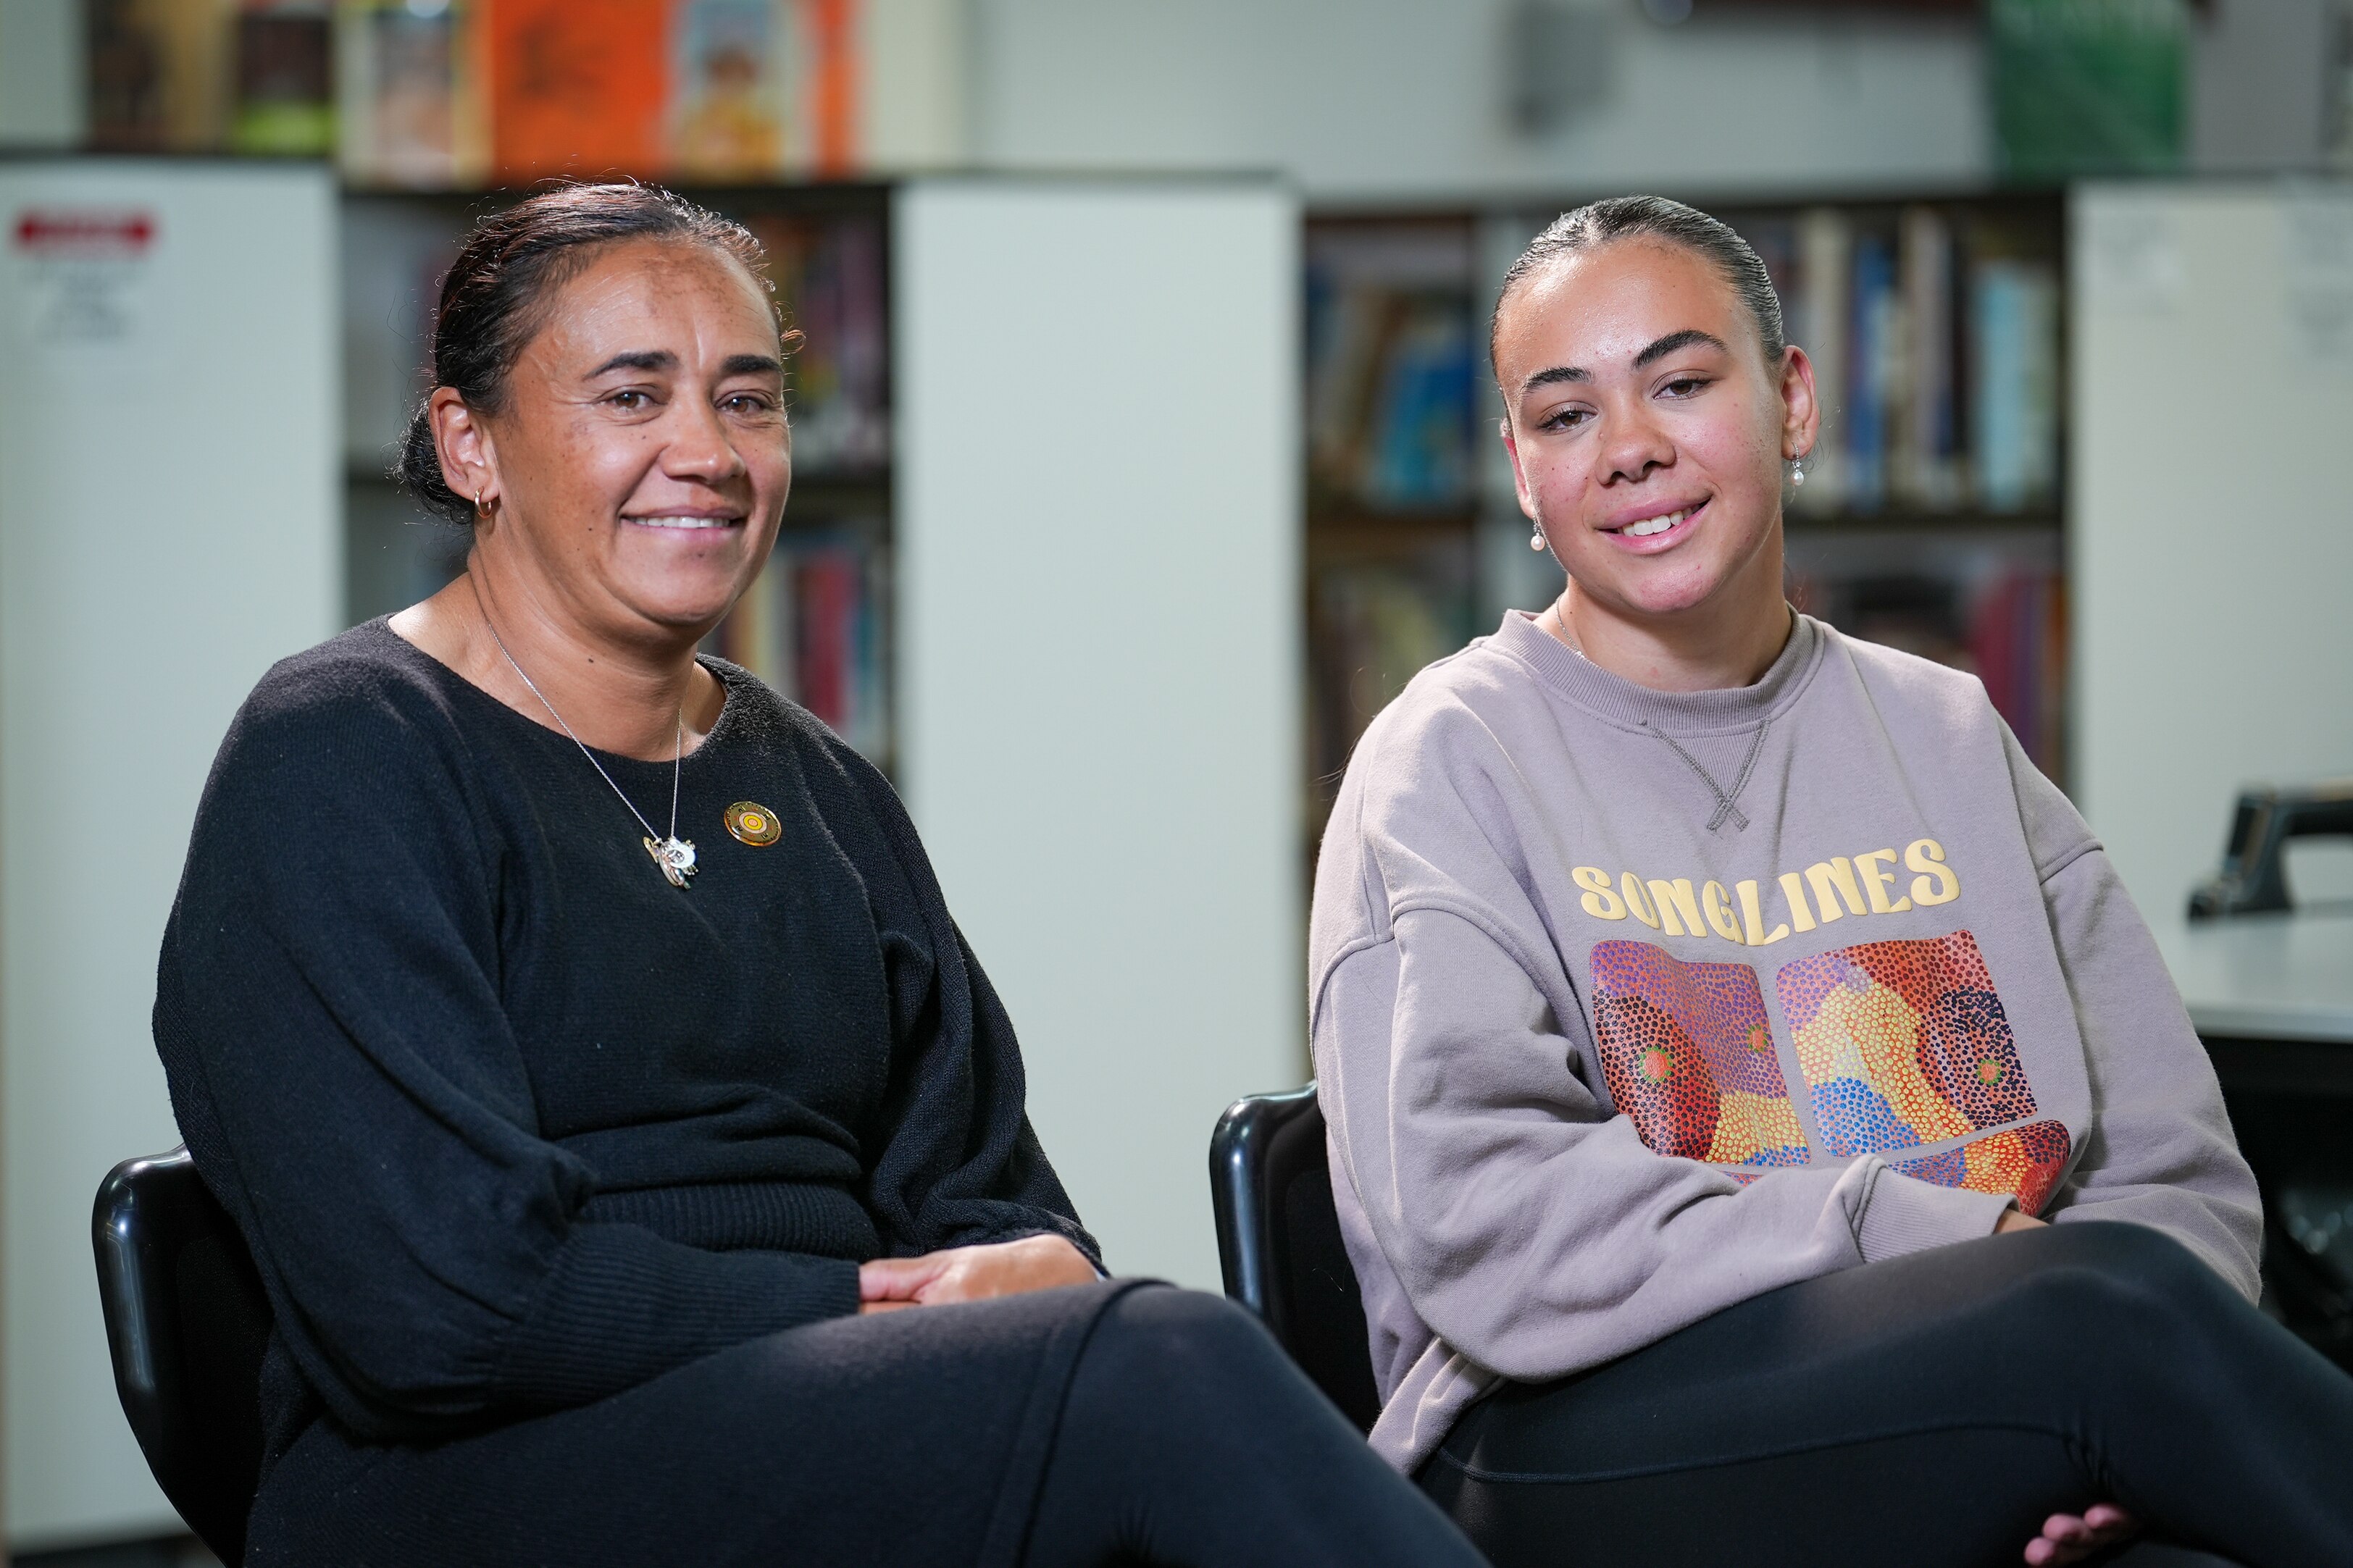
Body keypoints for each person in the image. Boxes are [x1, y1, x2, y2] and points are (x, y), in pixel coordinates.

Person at [154, 183, 1487, 1568]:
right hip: (462, 1479)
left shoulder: (818, 783)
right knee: (1154, 1370)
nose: (707, 453)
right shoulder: (342, 752)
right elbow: (441, 1304)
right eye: (631, 397)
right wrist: (873, 1308)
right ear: (470, 441)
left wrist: (1014, 1275)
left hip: (810, 1424)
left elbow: (993, 1195)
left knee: (1136, 1384)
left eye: (748, 400)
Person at [1309, 194, 2353, 1568]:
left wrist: (2109, 1430)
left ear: (1793, 402)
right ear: (1518, 466)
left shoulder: (1949, 735)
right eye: (1565, 417)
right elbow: (1488, 1214)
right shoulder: (1446, 761)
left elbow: (2172, 1173)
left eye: (1681, 383)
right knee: (2103, 1321)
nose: (1629, 449)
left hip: (1995, 1384)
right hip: (1560, 1438)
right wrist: (1949, 1259)